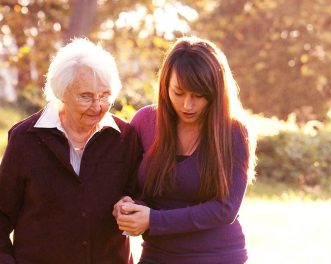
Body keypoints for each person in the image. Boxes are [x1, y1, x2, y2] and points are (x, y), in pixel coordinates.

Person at [113, 36, 256, 264]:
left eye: (198, 96)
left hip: (217, 256)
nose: (187, 105)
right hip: (157, 255)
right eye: (178, 93)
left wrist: (155, 221)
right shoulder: (144, 122)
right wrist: (127, 204)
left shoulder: (234, 132)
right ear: (165, 85)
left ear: (215, 92)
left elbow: (225, 209)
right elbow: (130, 184)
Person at [0, 38, 142, 264]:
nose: (97, 107)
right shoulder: (25, 139)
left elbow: (141, 194)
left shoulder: (125, 138)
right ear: (61, 92)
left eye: (105, 95)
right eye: (86, 96)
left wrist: (132, 204)